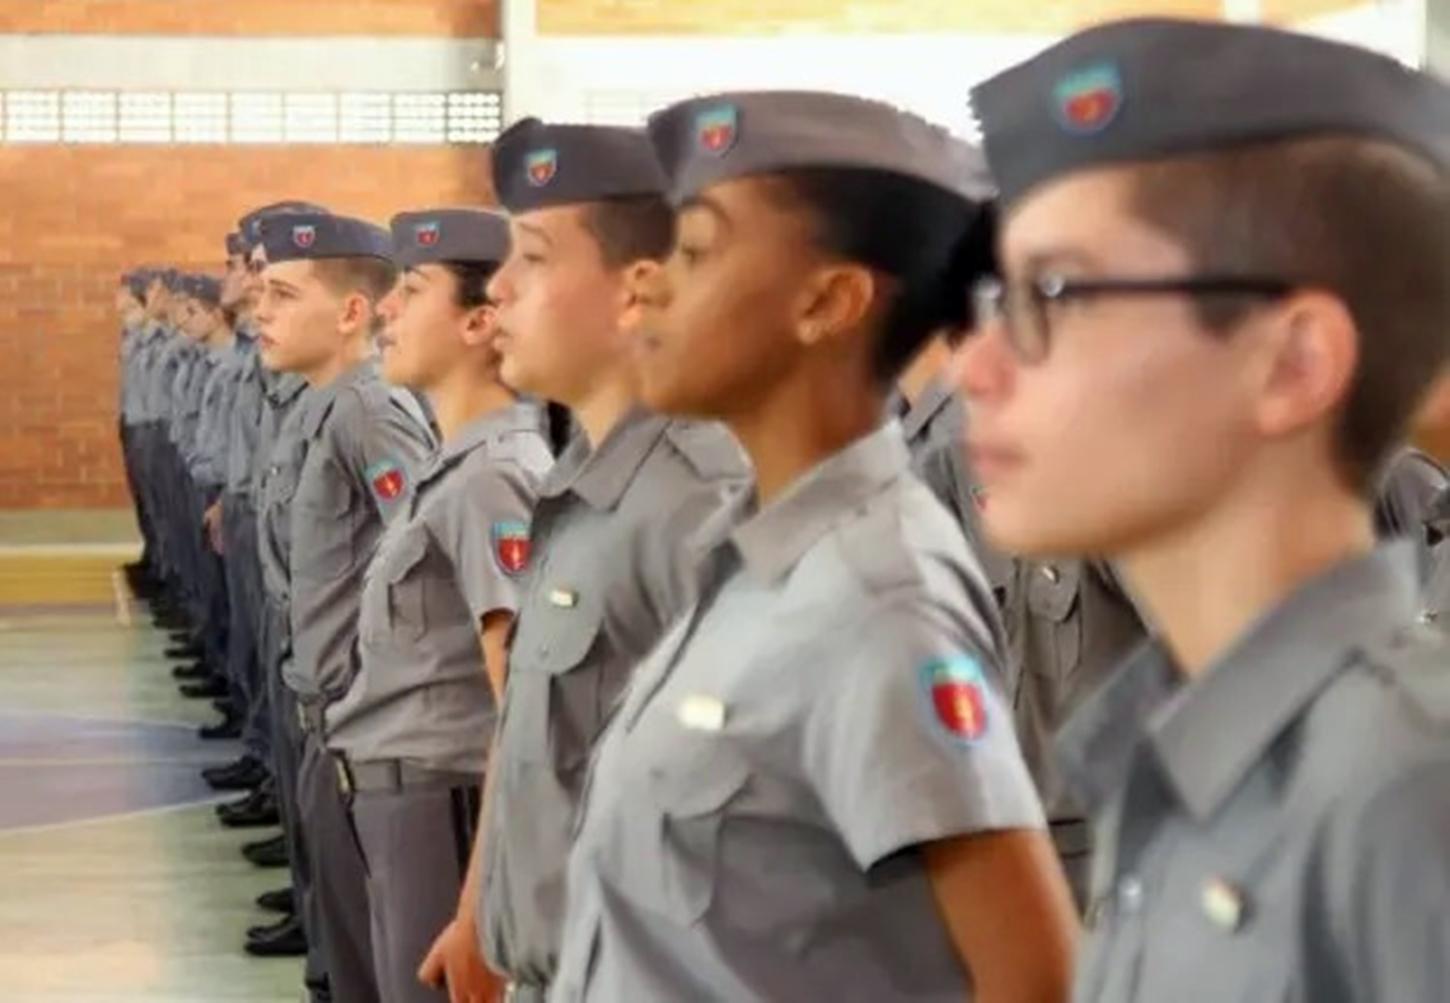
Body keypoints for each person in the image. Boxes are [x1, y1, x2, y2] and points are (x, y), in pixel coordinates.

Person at [959, 18, 1450, 1001]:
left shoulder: (1404, 796)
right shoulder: (1182, 760)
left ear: (1293, 360)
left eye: (1055, 294)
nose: (976, 366)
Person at [551, 90, 1077, 1003]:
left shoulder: (878, 596)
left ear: (828, 301)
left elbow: (1035, 976)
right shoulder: (750, 563)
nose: (650, 280)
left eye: (698, 250)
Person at [419, 120, 750, 1003]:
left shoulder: (700, 504)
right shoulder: (578, 484)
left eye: (531, 258)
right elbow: (530, 729)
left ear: (635, 292)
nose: (498, 288)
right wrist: (478, 911)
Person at [322, 207, 553, 1002]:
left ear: (480, 323)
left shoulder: (494, 477)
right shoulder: (453, 470)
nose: (386, 308)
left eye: (412, 290)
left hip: (442, 816)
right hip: (403, 806)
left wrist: (481, 905)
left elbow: (520, 698)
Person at [253, 209, 436, 1001]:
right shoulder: (317, 402)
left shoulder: (369, 410)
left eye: (283, 294)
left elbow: (427, 555)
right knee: (346, 939)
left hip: (355, 715)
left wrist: (373, 691)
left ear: (353, 311)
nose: (260, 310)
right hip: (321, 708)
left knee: (372, 954)